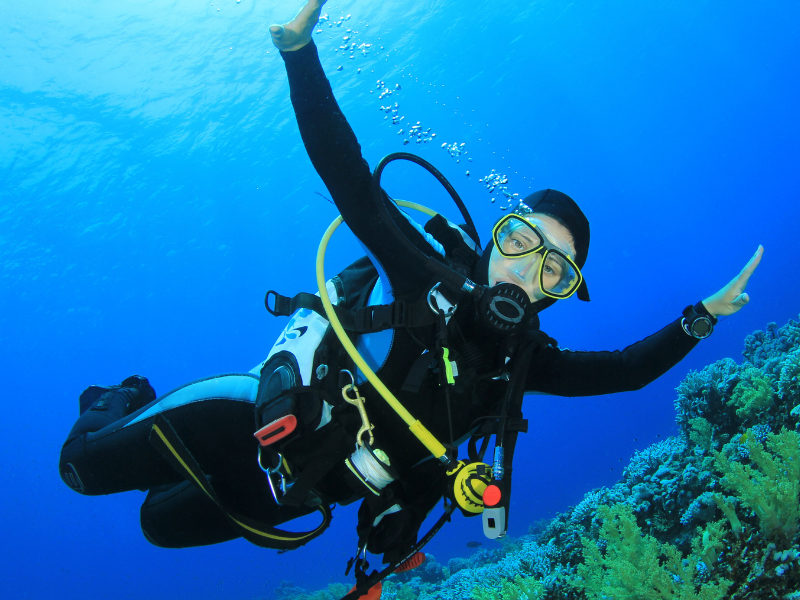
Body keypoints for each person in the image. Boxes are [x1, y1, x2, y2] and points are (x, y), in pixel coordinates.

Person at [59, 1, 763, 597]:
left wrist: (702, 318)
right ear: (493, 239)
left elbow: (625, 372)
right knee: (81, 469)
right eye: (520, 242)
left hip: (298, 489)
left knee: (158, 526)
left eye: (554, 270)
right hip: (252, 417)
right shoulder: (423, 274)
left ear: (561, 292)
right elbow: (348, 176)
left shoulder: (522, 363)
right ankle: (122, 397)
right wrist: (300, 54)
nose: (526, 273)